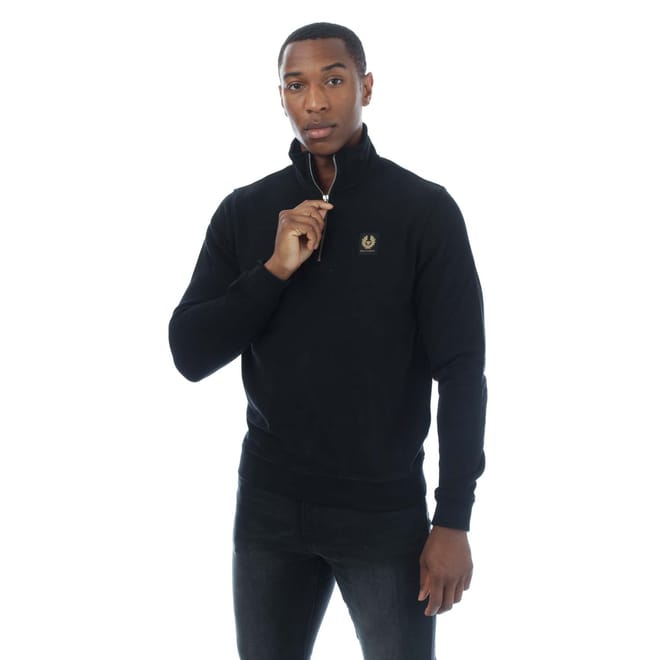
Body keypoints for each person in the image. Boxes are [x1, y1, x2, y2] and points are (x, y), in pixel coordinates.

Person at [168, 21, 487, 660]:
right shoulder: (246, 211)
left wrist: (453, 518)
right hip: (269, 510)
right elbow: (190, 353)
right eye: (296, 85)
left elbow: (460, 371)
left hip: (382, 514)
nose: (314, 102)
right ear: (281, 97)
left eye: (333, 80)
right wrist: (274, 270)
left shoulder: (423, 211)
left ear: (366, 87)